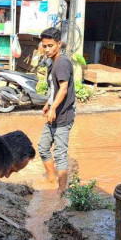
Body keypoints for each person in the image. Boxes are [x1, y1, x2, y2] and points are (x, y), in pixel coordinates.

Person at [37, 27, 76, 194]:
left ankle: (61, 191)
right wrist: (49, 103)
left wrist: (53, 108)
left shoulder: (61, 63)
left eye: (50, 45)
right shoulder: (54, 61)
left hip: (63, 116)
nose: (46, 49)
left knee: (60, 154)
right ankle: (52, 179)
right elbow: (55, 88)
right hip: (54, 113)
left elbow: (64, 89)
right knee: (43, 147)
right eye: (44, 46)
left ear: (59, 44)